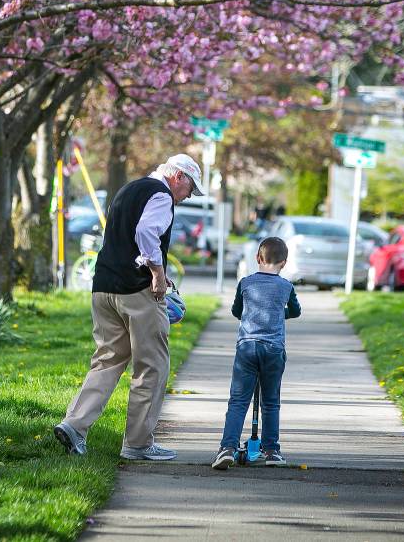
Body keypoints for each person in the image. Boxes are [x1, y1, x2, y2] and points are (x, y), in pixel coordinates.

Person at [54, 154, 204, 460]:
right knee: (153, 366)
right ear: (179, 177)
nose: (188, 197)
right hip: (137, 291)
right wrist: (159, 274)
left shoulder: (130, 188)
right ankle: (137, 443)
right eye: (190, 189)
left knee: (107, 360)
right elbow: (146, 233)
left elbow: (127, 238)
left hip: (104, 287)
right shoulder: (161, 196)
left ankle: (74, 425)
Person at [211, 236, 301, 470]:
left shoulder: (246, 283)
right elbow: (296, 311)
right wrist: (278, 314)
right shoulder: (286, 286)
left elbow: (236, 311)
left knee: (238, 401)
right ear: (284, 262)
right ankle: (271, 451)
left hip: (247, 347)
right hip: (273, 349)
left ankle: (227, 448)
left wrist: (252, 315)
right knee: (271, 402)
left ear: (258, 258)